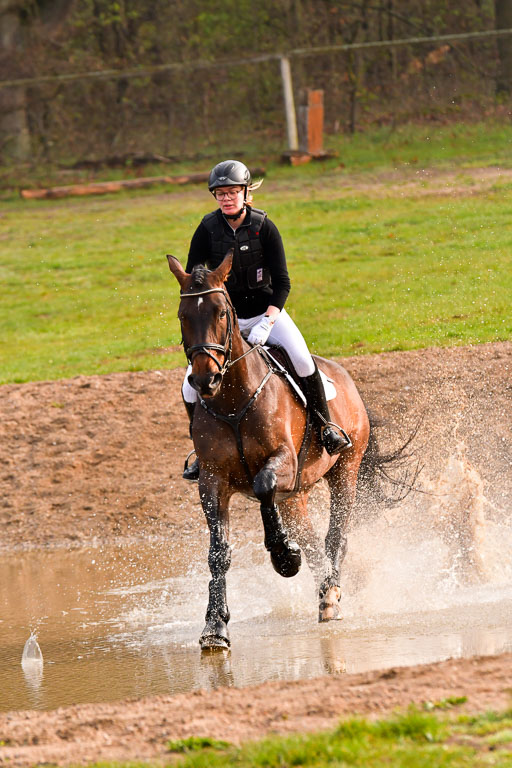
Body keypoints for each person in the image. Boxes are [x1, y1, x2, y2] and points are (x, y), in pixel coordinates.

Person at [181, 159, 350, 480]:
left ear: (246, 193)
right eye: (220, 194)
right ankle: (201, 452)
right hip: (224, 322)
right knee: (189, 386)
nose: (227, 199)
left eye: (232, 192)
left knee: (302, 361)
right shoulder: (207, 229)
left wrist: (267, 322)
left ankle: (326, 426)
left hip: (266, 314)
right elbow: (193, 277)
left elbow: (283, 283)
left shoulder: (264, 227)